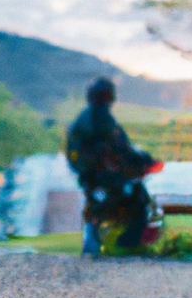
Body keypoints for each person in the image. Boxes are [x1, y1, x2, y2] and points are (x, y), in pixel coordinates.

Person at [66, 77, 159, 255]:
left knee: (101, 207)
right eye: (104, 95)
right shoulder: (101, 121)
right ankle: (127, 244)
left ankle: (104, 240)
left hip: (94, 179)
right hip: (103, 178)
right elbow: (122, 149)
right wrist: (144, 161)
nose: (106, 99)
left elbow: (122, 150)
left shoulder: (85, 120)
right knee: (139, 199)